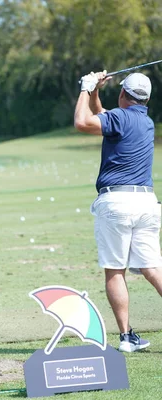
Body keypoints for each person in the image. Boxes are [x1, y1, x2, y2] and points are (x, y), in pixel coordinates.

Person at [74, 70, 162, 352]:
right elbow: (104, 116)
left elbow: (82, 122)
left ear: (123, 94)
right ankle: (129, 338)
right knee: (153, 269)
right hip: (147, 203)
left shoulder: (119, 119)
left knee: (115, 271)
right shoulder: (145, 122)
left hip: (116, 203)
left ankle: (126, 337)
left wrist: (86, 89)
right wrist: (96, 93)